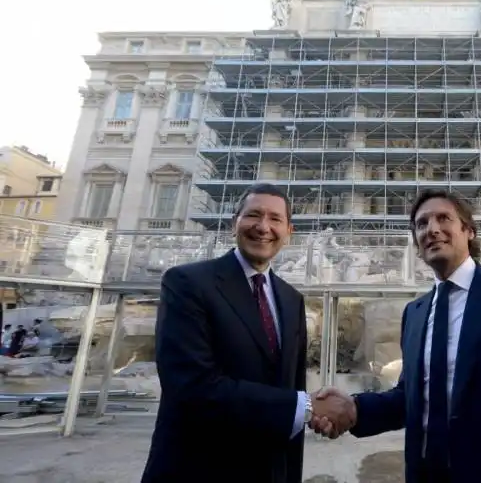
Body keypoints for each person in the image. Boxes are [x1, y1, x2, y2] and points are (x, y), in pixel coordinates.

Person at [312, 190, 481, 482]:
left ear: (468, 230)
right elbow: (411, 398)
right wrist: (354, 409)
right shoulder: (415, 313)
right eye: (421, 224)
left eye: (443, 218)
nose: (432, 229)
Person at [141, 183, 352, 483]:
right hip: (198, 468)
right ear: (234, 223)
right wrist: (307, 406)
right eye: (253, 215)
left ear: (289, 231)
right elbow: (192, 386)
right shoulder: (187, 283)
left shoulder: (292, 299)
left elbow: (289, 386)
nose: (263, 227)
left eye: (275, 219)